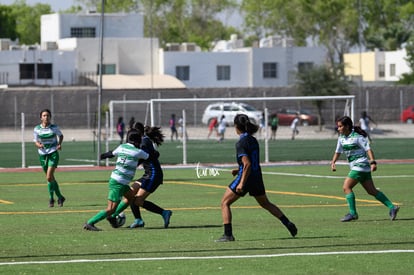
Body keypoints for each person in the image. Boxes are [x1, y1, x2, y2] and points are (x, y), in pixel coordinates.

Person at [216, 114, 298, 242]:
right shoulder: (253, 140)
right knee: (266, 203)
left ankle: (228, 234)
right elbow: (252, 162)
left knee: (225, 203)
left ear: (236, 126)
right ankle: (287, 223)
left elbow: (247, 163)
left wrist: (241, 183)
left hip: (246, 178)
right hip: (256, 177)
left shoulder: (241, 143)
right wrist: (239, 169)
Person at [331, 116, 400, 222]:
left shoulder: (357, 137)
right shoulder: (341, 138)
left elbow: (368, 149)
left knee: (346, 187)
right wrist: (333, 162)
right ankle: (392, 207)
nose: (338, 128)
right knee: (371, 191)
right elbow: (338, 151)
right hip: (360, 168)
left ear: (347, 126)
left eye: (340, 126)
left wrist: (373, 162)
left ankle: (353, 213)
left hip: (361, 165)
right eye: (338, 127)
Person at [109, 122, 173, 229]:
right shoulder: (144, 140)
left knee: (137, 200)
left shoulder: (143, 142)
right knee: (130, 194)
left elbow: (142, 157)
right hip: (148, 174)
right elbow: (152, 155)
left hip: (153, 175)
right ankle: (137, 220)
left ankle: (164, 212)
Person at [83, 129, 150, 231]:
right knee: (111, 209)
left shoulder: (122, 147)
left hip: (119, 182)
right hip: (118, 183)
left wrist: (102, 156)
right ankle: (90, 222)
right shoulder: (138, 152)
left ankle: (114, 217)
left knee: (131, 198)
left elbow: (111, 153)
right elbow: (150, 156)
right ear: (137, 141)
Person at [33, 109, 66, 208]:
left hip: (53, 153)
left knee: (48, 177)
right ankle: (60, 197)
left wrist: (59, 144)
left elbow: (61, 136)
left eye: (47, 115)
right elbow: (35, 140)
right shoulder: (37, 129)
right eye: (44, 115)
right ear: (41, 117)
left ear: (50, 117)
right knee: (51, 178)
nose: (46, 117)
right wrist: (38, 144)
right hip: (42, 154)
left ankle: (51, 199)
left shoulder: (54, 127)